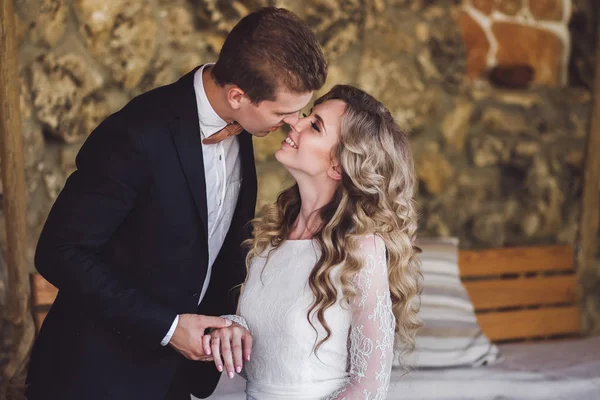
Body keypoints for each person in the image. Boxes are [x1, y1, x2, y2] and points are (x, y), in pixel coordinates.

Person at [25, 7, 327, 400]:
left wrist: (231, 318)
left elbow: (216, 249)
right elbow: (59, 252)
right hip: (96, 377)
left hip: (175, 381)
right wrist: (167, 327)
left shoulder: (245, 128)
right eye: (283, 111)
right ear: (237, 96)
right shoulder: (135, 134)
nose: (293, 122)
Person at [205, 85, 422, 399]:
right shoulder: (271, 236)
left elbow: (369, 387)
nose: (295, 123)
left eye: (315, 125)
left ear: (338, 164)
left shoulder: (361, 248)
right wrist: (233, 326)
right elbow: (263, 326)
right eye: (307, 116)